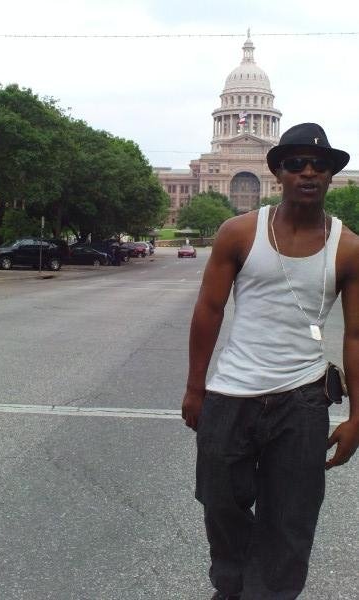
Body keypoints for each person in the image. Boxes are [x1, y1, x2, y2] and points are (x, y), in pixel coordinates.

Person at [181, 123, 359, 600]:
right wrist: (195, 388)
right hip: (230, 395)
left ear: (331, 175)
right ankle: (233, 587)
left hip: (303, 401)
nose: (308, 172)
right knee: (220, 504)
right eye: (296, 163)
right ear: (277, 171)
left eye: (319, 165)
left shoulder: (349, 247)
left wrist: (358, 415)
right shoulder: (238, 231)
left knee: (291, 518)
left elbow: (356, 335)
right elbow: (209, 309)